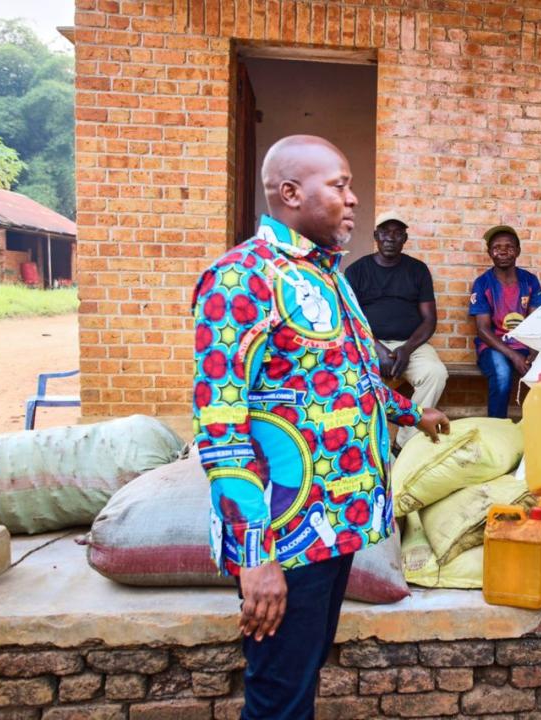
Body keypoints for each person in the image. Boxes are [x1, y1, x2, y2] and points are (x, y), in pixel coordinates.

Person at [191, 135, 450, 720]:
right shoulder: (241, 279)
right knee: (278, 695)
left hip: (334, 522)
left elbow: (346, 379)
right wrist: (255, 558)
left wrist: (413, 412)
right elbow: (220, 424)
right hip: (284, 538)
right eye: (339, 186)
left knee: (302, 678)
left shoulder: (330, 278)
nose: (353, 200)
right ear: (290, 193)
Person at [345, 211, 448, 447]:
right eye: (385, 232)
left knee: (435, 373)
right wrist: (377, 348)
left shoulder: (417, 270)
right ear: (375, 236)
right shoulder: (356, 271)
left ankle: (404, 443)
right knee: (352, 378)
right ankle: (363, 441)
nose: (390, 237)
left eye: (397, 232)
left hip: (411, 343)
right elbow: (349, 320)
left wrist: (407, 349)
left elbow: (429, 319)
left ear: (405, 238)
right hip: (368, 342)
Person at [468, 225, 541, 418]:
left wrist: (535, 352)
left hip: (526, 346)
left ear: (518, 251)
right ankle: (497, 430)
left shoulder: (530, 281)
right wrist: (514, 356)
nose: (503, 251)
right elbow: (483, 330)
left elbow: (537, 321)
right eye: (497, 247)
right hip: (494, 347)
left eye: (509, 247)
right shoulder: (483, 283)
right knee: (502, 374)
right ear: (489, 253)